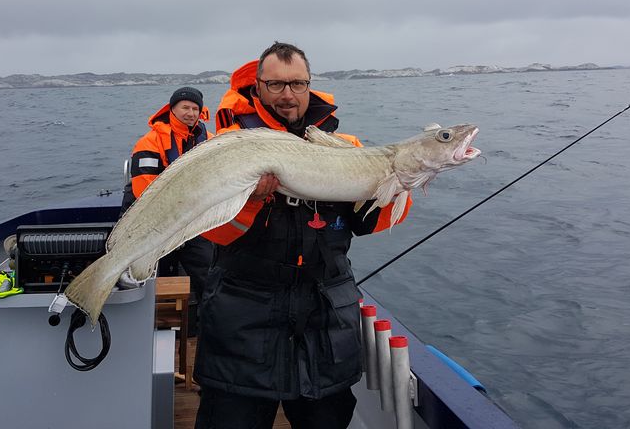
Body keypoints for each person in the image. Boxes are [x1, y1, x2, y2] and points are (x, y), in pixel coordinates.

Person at [194, 42, 413, 429]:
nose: (288, 95)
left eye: (297, 84)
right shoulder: (228, 146)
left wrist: (401, 184)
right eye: (275, 85)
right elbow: (212, 233)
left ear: (310, 85)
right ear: (257, 86)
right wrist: (252, 201)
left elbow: (369, 224)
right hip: (243, 318)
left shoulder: (347, 149)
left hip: (324, 320)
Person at [120, 86, 214, 302]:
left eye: (195, 108)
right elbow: (144, 190)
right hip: (150, 220)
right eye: (185, 107)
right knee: (151, 275)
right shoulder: (150, 142)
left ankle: (203, 323)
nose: (190, 113)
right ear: (172, 108)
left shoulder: (209, 139)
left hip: (192, 218)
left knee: (209, 274)